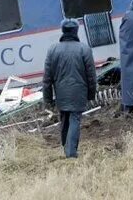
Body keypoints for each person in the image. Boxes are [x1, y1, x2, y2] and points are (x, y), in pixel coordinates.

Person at [42, 19, 97, 159]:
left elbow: (47, 77)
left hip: (60, 92)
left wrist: (47, 98)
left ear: (63, 31)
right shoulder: (84, 49)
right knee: (74, 118)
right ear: (75, 31)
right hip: (79, 91)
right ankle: (71, 153)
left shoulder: (52, 49)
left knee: (65, 117)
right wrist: (91, 94)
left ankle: (66, 146)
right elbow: (91, 75)